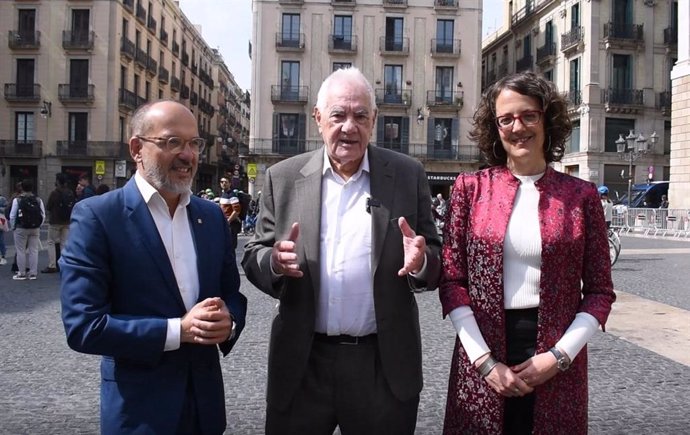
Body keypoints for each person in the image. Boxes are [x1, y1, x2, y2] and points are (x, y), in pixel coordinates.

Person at [241, 67, 441, 434]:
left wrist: (421, 261)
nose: (349, 126)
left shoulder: (408, 174)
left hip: (382, 366)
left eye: (360, 116)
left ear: (374, 120)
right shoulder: (283, 177)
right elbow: (254, 253)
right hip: (303, 364)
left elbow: (435, 255)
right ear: (318, 119)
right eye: (338, 115)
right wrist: (273, 262)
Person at [438, 71, 616, 434]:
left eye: (528, 115)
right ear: (495, 127)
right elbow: (453, 281)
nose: (517, 127)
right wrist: (485, 363)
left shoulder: (581, 197)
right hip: (482, 352)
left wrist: (559, 357)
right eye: (506, 119)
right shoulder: (469, 190)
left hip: (556, 358)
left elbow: (599, 292)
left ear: (546, 119)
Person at [60, 100, 248, 434]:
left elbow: (232, 294)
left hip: (205, 409)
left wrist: (229, 322)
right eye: (172, 142)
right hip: (139, 413)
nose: (188, 155)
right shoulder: (98, 217)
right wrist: (179, 330)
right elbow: (84, 326)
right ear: (137, 148)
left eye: (194, 144)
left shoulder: (212, 218)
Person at [8, 179, 45, 280]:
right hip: (35, 228)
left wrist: (13, 227)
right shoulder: (38, 200)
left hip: (21, 228)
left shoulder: (18, 200)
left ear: (22, 188)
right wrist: (39, 225)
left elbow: (12, 216)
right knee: (34, 250)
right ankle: (33, 273)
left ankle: (21, 273)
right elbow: (43, 215)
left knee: (20, 250)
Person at [42, 173, 75, 273]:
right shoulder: (70, 192)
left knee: (51, 242)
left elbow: (48, 207)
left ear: (57, 182)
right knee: (64, 243)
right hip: (67, 221)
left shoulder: (54, 193)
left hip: (55, 221)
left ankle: (52, 265)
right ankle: (64, 263)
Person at [0, 194, 8, 265]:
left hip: (0, 220)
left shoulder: (2, 199)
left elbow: (5, 209)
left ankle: (3, 256)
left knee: (1, 239)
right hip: (1, 219)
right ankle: (3, 255)